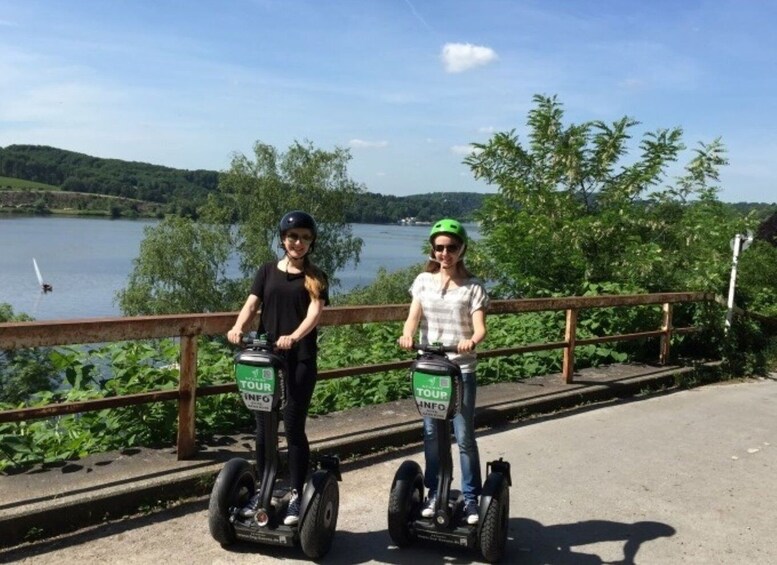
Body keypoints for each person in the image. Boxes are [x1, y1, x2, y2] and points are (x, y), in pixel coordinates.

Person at [227, 210, 329, 526]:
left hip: (299, 360)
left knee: (293, 426)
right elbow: (252, 304)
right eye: (293, 237)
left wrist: (294, 337)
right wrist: (238, 327)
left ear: (311, 243)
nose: (298, 242)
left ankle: (297, 493)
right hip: (265, 359)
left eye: (305, 238)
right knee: (264, 427)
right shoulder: (267, 271)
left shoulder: (316, 276)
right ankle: (265, 489)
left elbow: (314, 314)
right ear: (283, 239)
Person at [398, 218, 488, 526]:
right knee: (431, 433)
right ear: (432, 249)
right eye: (439, 247)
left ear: (462, 249)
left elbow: (480, 329)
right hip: (431, 368)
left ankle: (472, 498)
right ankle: (436, 492)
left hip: (460, 370)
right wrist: (407, 334)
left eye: (451, 247)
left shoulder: (473, 287)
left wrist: (471, 341)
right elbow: (413, 317)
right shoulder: (423, 281)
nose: (445, 253)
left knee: (463, 437)